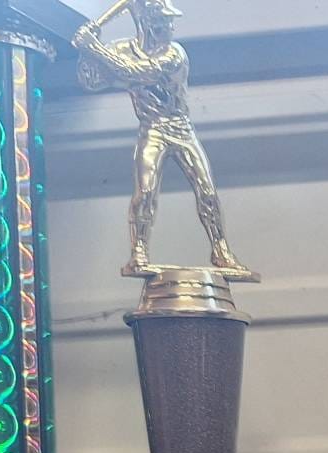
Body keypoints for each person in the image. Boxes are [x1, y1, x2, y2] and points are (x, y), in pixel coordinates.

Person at [76, 0, 253, 280]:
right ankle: (139, 251)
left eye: (169, 21)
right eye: (163, 20)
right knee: (145, 192)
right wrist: (86, 52)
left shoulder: (174, 53)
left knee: (207, 191)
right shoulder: (123, 50)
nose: (170, 26)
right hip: (152, 129)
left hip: (180, 128)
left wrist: (95, 48)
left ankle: (221, 250)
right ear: (147, 22)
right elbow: (93, 81)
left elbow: (134, 73)